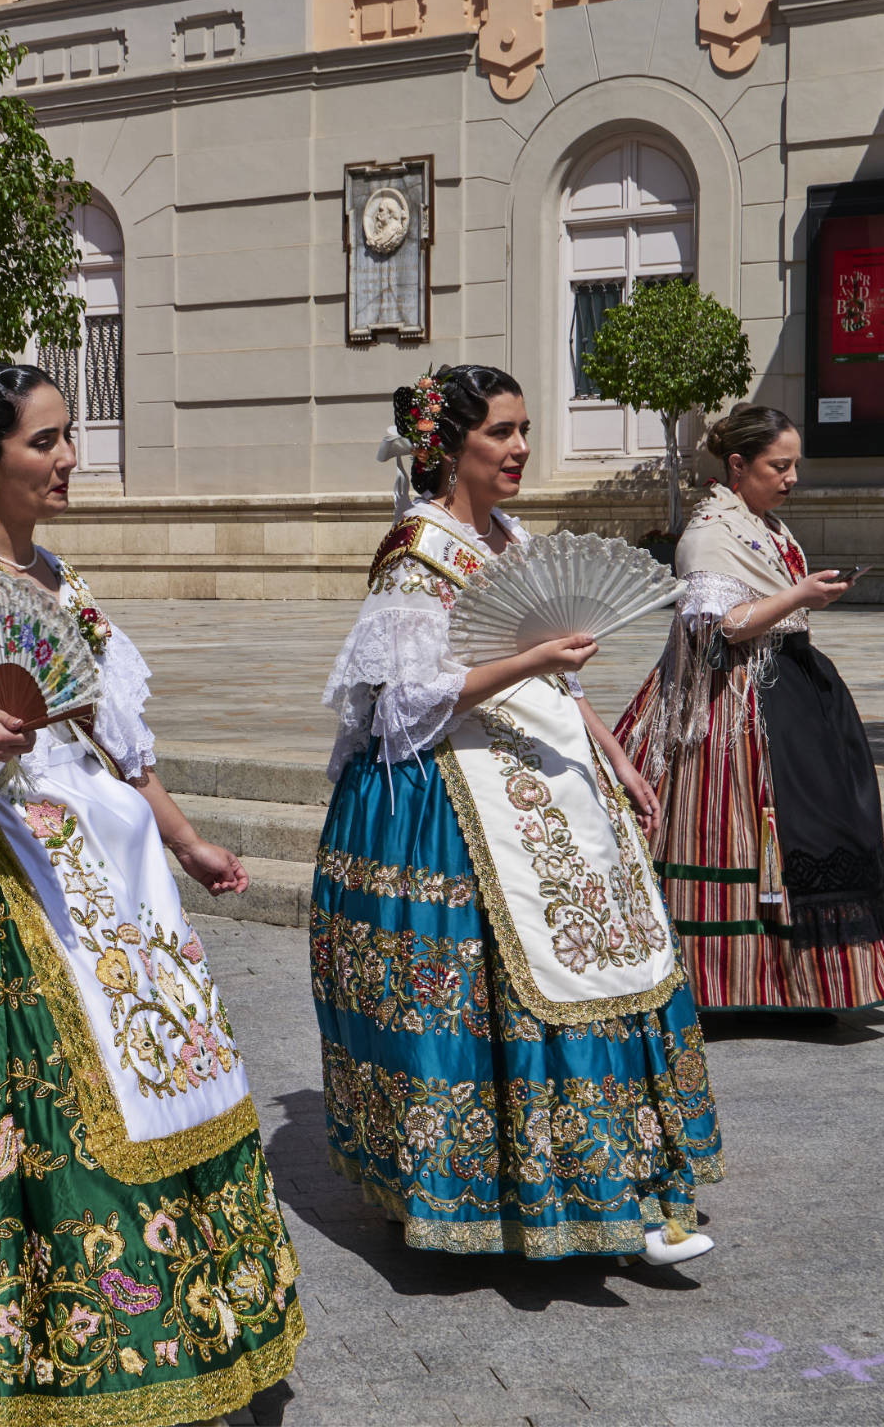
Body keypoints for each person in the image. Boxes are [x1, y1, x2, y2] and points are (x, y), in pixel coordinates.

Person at [0, 364, 304, 1424]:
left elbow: (117, 742)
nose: (68, 458)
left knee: (153, 1079)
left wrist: (189, 839)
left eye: (67, 438)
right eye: (44, 443)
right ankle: (18, 1347)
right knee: (15, 1109)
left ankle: (160, 1324)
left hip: (106, 879)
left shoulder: (63, 583)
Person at [311, 366, 724, 1264]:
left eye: (524, 429)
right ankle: (545, 1192)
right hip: (459, 790)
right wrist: (530, 658)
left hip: (554, 773)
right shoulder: (416, 550)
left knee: (607, 962)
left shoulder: (511, 535)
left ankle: (627, 1186)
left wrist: (618, 757)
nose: (521, 448)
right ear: (448, 447)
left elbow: (563, 677)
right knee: (516, 983)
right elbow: (406, 704)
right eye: (501, 432)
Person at [616, 404, 884, 1012]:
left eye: (795, 464)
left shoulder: (764, 524)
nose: (792, 477)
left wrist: (803, 597)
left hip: (791, 683)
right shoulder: (709, 532)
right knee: (740, 828)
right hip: (734, 704)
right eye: (780, 465)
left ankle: (807, 984)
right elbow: (723, 626)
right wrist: (800, 594)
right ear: (739, 465)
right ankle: (727, 983)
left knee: (826, 818)